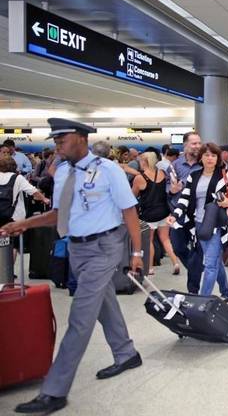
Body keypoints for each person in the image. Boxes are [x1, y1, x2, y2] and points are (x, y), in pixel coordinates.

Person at [3, 119, 144, 415]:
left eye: (61, 140)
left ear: (81, 138)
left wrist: (138, 253)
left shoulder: (108, 170)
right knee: (105, 304)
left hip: (104, 247)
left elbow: (129, 210)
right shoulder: (64, 171)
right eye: (55, 142)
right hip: (77, 249)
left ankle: (54, 392)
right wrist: (25, 224)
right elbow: (58, 213)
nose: (57, 146)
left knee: (80, 317)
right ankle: (126, 353)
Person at [167, 143, 228, 301]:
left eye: (213, 155)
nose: (210, 158)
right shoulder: (193, 176)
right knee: (214, 260)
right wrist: (175, 215)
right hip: (198, 224)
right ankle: (226, 292)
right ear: (201, 157)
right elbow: (185, 199)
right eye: (207, 155)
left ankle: (202, 300)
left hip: (217, 224)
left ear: (218, 158)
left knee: (209, 264)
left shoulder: (225, 174)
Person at [131, 152, 180, 276]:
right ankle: (175, 262)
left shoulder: (140, 178)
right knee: (165, 239)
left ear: (144, 162)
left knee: (150, 240)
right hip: (164, 211)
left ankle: (150, 267)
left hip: (148, 214)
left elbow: (132, 196)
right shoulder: (162, 174)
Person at [167, 132, 204, 293]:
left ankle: (193, 290)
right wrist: (171, 189)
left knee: (197, 251)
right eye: (194, 143)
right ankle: (195, 269)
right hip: (179, 214)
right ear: (185, 145)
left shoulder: (203, 164)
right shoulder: (175, 165)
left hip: (197, 213)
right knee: (177, 247)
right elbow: (167, 187)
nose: (197, 146)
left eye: (199, 143)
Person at [0, 156, 49, 269]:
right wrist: (45, 199)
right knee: (13, 245)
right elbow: (33, 192)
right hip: (13, 217)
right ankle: (7, 272)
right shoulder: (18, 178)